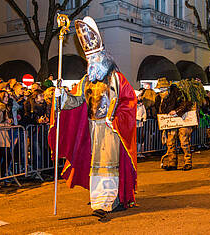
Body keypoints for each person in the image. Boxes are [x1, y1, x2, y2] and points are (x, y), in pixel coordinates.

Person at [50, 16, 137, 220]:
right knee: (95, 164)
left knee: (108, 165)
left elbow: (129, 101)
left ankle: (111, 201)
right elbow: (76, 101)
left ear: (103, 57)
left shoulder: (116, 78)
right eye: (89, 59)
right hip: (91, 128)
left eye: (95, 58)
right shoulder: (86, 80)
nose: (92, 63)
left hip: (110, 129)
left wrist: (115, 120)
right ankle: (99, 199)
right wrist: (61, 96)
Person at [155, 78, 193, 171]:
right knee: (170, 142)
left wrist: (176, 111)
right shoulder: (159, 98)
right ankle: (172, 163)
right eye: (160, 89)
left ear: (168, 88)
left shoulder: (178, 93)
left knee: (184, 142)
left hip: (182, 121)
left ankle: (187, 162)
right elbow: (158, 110)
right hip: (170, 123)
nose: (161, 91)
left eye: (163, 89)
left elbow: (187, 104)